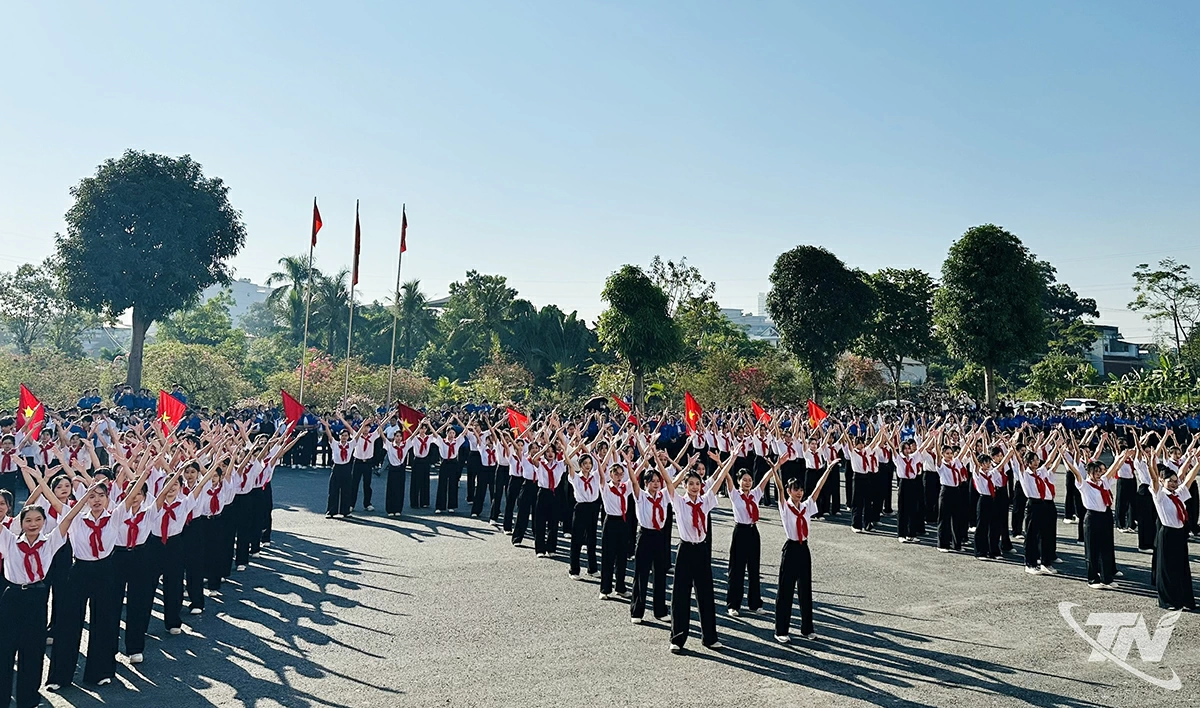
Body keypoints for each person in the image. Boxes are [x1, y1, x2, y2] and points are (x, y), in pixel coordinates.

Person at [0, 478, 96, 707]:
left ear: (44, 522)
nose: (33, 524)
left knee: (33, 650)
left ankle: (28, 700)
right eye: (28, 520)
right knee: (5, 650)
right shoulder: (9, 540)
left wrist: (85, 496)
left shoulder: (50, 542)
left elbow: (69, 517)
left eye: (38, 520)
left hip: (36, 597)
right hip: (12, 596)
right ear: (21, 523)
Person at [666, 459, 731, 653]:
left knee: (705, 594)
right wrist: (685, 468)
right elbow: (669, 484)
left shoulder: (705, 501)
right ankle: (677, 639)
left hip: (701, 550)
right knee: (681, 595)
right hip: (686, 550)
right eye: (691, 484)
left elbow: (720, 479)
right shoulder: (679, 502)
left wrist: (731, 458)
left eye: (697, 484)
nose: (695, 487)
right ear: (685, 486)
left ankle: (710, 638)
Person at [771, 459, 837, 643]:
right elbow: (779, 489)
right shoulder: (785, 507)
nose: (799, 493)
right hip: (791, 548)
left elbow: (818, 487)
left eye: (800, 489)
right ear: (789, 491)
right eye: (795, 490)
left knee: (805, 590)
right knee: (785, 591)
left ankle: (807, 629)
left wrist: (828, 469)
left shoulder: (807, 506)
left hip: (803, 548)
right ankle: (781, 630)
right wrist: (775, 470)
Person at [720, 452, 776, 617]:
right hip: (740, 532)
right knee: (736, 569)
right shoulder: (734, 494)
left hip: (753, 531)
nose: (747, 482)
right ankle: (733, 605)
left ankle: (755, 604)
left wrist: (777, 465)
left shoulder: (755, 494)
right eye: (744, 480)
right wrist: (722, 462)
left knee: (754, 569)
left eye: (750, 480)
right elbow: (726, 476)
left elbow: (766, 478)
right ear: (739, 481)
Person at [1067, 444, 1126, 589]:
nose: (1100, 474)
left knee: (1106, 547)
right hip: (1092, 517)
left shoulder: (1104, 481)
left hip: (1106, 515)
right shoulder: (1084, 484)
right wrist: (1064, 457)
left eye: (1101, 471)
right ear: (1090, 472)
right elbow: (1076, 472)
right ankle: (1093, 579)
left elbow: (1114, 468)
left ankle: (1107, 578)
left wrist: (1123, 456)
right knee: (1092, 549)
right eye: (1097, 471)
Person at [625, 450, 669, 625]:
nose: (656, 484)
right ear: (646, 483)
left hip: (659, 536)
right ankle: (637, 611)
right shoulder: (641, 496)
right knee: (641, 575)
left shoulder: (664, 496)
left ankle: (660, 610)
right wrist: (632, 464)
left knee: (660, 574)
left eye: (658, 481)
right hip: (645, 536)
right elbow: (633, 481)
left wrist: (658, 459)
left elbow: (672, 481)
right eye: (652, 481)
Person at [1148, 460, 1197, 611]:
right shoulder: (1160, 495)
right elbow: (1154, 479)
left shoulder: (1179, 494)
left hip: (1180, 534)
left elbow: (1189, 478)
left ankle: (1185, 599)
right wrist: (1151, 465)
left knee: (1182, 567)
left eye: (1176, 481)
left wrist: (1198, 464)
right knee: (1167, 568)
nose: (1174, 484)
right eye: (1170, 481)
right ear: (1163, 481)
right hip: (1167, 533)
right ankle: (1168, 601)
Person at [597, 461, 632, 600]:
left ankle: (620, 587)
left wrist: (630, 463)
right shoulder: (606, 487)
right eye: (616, 474)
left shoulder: (625, 488)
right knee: (608, 556)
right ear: (610, 474)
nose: (619, 476)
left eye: (621, 474)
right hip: (611, 521)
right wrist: (600, 461)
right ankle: (605, 589)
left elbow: (635, 475)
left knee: (622, 556)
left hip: (623, 522)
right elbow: (601, 474)